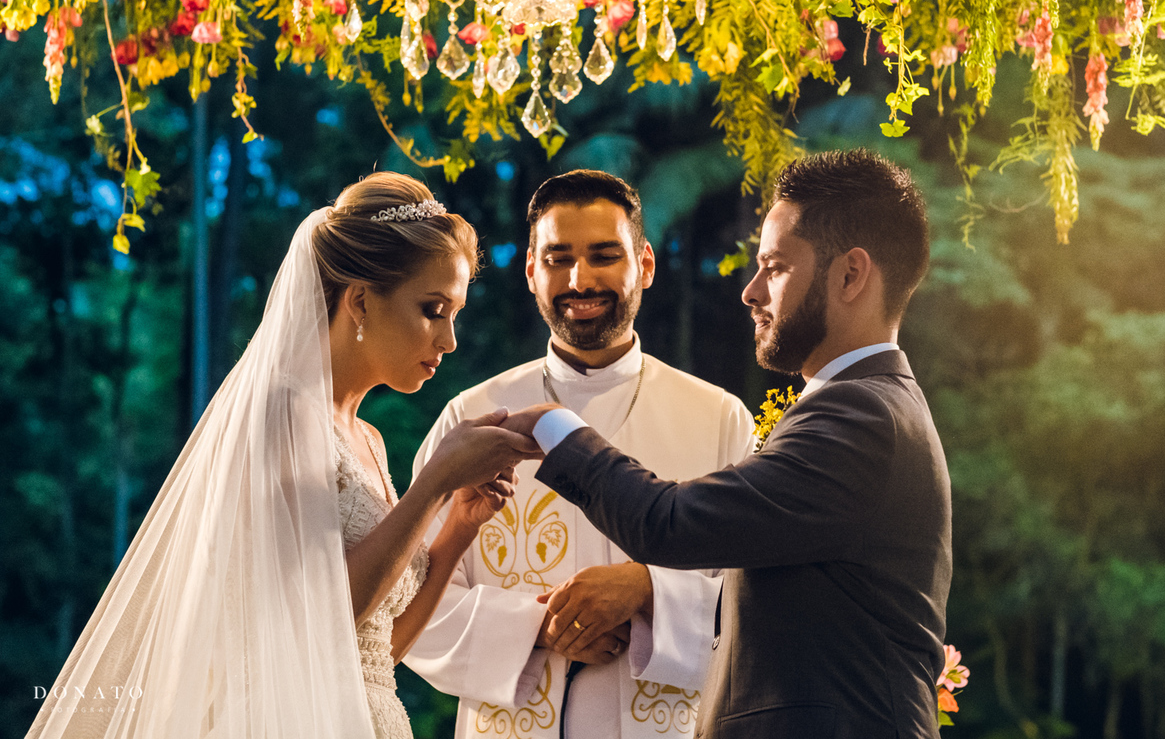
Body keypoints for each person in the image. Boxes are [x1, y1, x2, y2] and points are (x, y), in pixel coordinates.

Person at [26, 172, 538, 739]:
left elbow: (374, 652)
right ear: (362, 300)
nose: (449, 340)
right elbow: (315, 624)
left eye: (455, 314)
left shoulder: (368, 440)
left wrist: (460, 526)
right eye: (433, 309)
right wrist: (434, 481)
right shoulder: (282, 416)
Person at [485, 150, 953, 738]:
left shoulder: (860, 415)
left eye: (775, 267)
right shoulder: (868, 405)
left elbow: (670, 523)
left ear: (850, 275)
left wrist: (554, 426)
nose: (750, 292)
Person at [403, 170, 756, 739]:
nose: (579, 279)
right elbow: (411, 603)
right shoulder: (470, 418)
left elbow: (758, 603)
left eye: (603, 256)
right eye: (558, 258)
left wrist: (645, 591)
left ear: (644, 263)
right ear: (530, 272)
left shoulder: (721, 420)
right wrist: (539, 627)